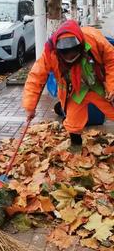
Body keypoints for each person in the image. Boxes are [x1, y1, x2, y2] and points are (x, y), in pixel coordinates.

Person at [23, 19, 114, 153]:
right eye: (65, 53)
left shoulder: (93, 38)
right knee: (73, 120)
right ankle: (76, 144)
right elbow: (36, 77)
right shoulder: (50, 53)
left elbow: (111, 61)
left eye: (73, 52)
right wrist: (30, 106)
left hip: (98, 84)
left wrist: (112, 86)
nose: (70, 57)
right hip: (75, 90)